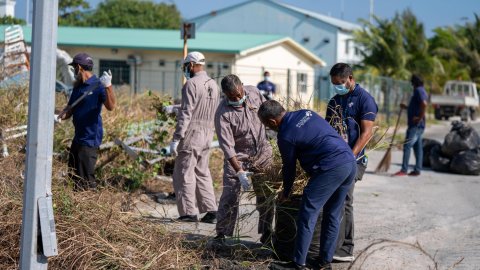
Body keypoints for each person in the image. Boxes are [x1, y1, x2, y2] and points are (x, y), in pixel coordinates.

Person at [259, 100, 357, 270]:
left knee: (307, 212)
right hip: (349, 162)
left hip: (330, 167)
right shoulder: (305, 113)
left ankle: (298, 264)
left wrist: (286, 191)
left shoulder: (285, 135)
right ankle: (324, 263)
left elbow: (288, 167)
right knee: (332, 214)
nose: (269, 129)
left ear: (272, 122)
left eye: (267, 126)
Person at [326, 63, 378, 262]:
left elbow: (366, 134)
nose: (337, 87)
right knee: (333, 200)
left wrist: (350, 156)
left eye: (340, 83)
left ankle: (346, 249)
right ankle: (331, 244)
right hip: (335, 160)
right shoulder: (335, 102)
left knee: (345, 199)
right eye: (334, 84)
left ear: (350, 78)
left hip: (354, 160)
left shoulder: (365, 100)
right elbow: (328, 131)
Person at [214, 74, 274, 245]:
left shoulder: (254, 93)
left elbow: (268, 111)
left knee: (267, 194)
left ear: (242, 85)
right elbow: (227, 147)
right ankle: (222, 234)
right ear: (225, 94)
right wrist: (239, 170)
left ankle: (267, 232)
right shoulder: (223, 113)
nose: (238, 98)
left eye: (239, 94)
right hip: (238, 157)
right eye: (233, 97)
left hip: (263, 151)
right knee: (230, 195)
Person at [169, 51, 220, 223]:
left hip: (192, 133)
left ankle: (188, 213)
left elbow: (187, 113)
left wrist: (177, 137)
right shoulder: (214, 84)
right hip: (207, 133)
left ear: (191, 64)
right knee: (202, 172)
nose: (185, 69)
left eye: (186, 66)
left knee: (183, 173)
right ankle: (211, 210)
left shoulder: (191, 84)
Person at [58, 52, 116, 191]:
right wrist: (58, 116)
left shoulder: (99, 85)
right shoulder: (78, 87)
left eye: (74, 68)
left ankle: (90, 207)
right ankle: (77, 204)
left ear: (79, 67)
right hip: (78, 138)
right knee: (73, 176)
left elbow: (111, 106)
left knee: (86, 180)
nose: (74, 71)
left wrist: (108, 86)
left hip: (89, 139)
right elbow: (70, 108)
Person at [393, 74, 428, 177]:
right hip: (419, 124)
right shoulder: (422, 90)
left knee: (407, 145)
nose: (412, 85)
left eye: (412, 83)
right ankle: (417, 170)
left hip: (415, 125)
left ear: (414, 83)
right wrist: (407, 107)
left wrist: (419, 118)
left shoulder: (418, 91)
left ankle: (404, 170)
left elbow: (424, 104)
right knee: (418, 147)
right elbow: (417, 106)